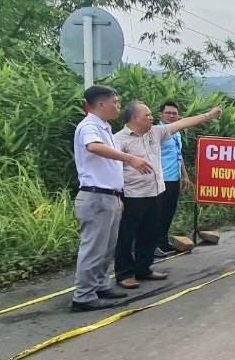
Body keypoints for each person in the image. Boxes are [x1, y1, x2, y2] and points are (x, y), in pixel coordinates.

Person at [114, 101, 222, 289]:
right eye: (147, 115)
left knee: (149, 233)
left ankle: (143, 268)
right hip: (132, 195)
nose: (151, 118)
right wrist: (117, 197)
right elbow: (112, 171)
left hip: (155, 192)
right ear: (134, 118)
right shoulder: (118, 140)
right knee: (127, 235)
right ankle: (124, 274)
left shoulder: (156, 132)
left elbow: (183, 123)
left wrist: (208, 115)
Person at [71, 85, 153, 312]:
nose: (118, 106)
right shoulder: (89, 126)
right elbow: (93, 147)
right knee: (94, 248)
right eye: (115, 102)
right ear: (101, 105)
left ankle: (99, 285)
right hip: (96, 196)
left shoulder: (105, 128)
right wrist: (131, 158)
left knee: (106, 248)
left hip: (111, 196)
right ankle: (83, 296)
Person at [154, 101, 191, 257]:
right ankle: (152, 245)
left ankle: (162, 242)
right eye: (168, 113)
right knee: (157, 214)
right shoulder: (156, 132)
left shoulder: (176, 132)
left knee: (169, 212)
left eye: (174, 113)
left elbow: (178, 154)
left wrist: (185, 175)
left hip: (173, 178)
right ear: (160, 114)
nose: (171, 116)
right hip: (160, 180)